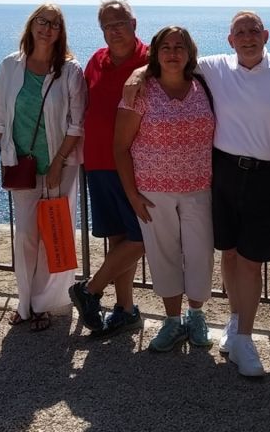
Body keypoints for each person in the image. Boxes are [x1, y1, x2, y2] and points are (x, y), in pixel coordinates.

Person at [125, 11, 270, 375]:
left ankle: (243, 336)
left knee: (251, 260)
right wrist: (137, 72)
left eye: (253, 30)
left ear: (266, 34)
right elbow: (169, 63)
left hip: (269, 177)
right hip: (224, 173)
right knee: (228, 252)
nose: (247, 37)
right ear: (230, 40)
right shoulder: (214, 67)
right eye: (240, 32)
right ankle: (233, 324)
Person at [114, 26, 215, 352]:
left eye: (180, 46)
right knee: (164, 255)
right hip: (153, 191)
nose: (173, 52)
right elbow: (120, 148)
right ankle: (172, 321)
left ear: (190, 53)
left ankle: (196, 317)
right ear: (155, 53)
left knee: (201, 254)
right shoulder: (139, 92)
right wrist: (132, 194)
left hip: (199, 187)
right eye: (166, 47)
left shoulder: (204, 84)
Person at [0, 3, 87, 332]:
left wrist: (58, 163)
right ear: (31, 25)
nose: (47, 28)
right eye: (42, 21)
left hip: (60, 166)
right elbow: (0, 117)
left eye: (55, 24)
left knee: (53, 233)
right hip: (24, 168)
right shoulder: (9, 66)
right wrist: (9, 155)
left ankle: (46, 303)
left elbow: (76, 124)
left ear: (61, 33)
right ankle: (25, 302)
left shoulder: (70, 71)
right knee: (27, 236)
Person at [69, 0, 149, 336]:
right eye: (107, 25)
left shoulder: (150, 59)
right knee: (119, 238)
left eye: (119, 23)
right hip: (99, 161)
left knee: (144, 235)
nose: (114, 30)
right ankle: (126, 309)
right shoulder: (96, 60)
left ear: (133, 23)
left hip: (137, 165)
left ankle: (89, 290)